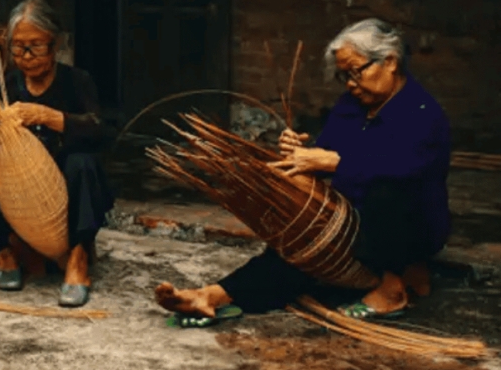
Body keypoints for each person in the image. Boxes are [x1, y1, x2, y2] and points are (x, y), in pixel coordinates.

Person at [155, 18, 451, 325]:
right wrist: (300, 153)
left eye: (356, 71)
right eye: (343, 76)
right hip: (355, 223)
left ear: (390, 62)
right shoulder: (351, 105)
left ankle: (392, 288)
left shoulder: (422, 114)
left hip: (411, 227)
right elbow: (326, 151)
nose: (350, 82)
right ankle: (211, 296)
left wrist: (334, 162)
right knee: (297, 253)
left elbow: (403, 168)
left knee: (387, 190)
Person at [0, 0, 114, 307]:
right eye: (18, 48)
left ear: (54, 44)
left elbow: (100, 131)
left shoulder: (76, 81)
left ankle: (78, 259)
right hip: (18, 189)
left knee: (83, 165)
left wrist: (46, 116)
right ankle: (6, 253)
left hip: (62, 186)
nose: (26, 57)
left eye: (36, 47)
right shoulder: (7, 85)